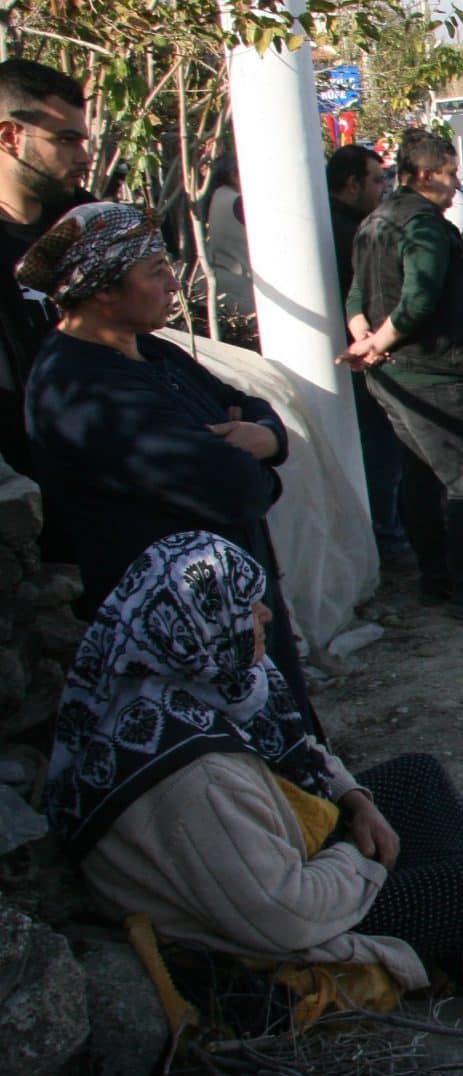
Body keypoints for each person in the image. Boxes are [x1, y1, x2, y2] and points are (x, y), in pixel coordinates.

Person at [49, 531, 463, 1064]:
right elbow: (286, 915)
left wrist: (354, 800)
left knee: (412, 779)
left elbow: (294, 749)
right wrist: (363, 860)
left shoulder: (170, 678)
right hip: (252, 943)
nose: (264, 617)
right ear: (199, 628)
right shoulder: (196, 784)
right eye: (247, 610)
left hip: (247, 867)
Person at [19, 202, 321, 734]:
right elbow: (230, 489)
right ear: (105, 290)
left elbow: (249, 407)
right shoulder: (83, 391)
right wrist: (259, 469)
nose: (171, 285)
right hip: (182, 637)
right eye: (156, 272)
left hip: (237, 610)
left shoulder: (153, 354)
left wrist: (264, 439)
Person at [340, 130, 463, 622]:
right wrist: (378, 341)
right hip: (435, 374)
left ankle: (436, 581)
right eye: (450, 174)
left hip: (391, 375)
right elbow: (418, 300)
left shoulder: (373, 222)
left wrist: (365, 339)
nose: (457, 184)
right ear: (424, 175)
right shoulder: (425, 229)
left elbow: (356, 293)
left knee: (419, 477)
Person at [0, 58, 94, 477]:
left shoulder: (89, 221)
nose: (84, 156)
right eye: (66, 139)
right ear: (9, 136)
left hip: (109, 465)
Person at [326, 144, 407, 558]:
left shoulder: (347, 226)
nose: (383, 188)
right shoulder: (347, 233)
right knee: (379, 445)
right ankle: (384, 534)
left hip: (359, 351)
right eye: (376, 180)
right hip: (360, 357)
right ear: (352, 183)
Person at [195, 149, 256, 324]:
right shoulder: (238, 201)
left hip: (223, 280)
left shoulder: (218, 196)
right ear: (234, 175)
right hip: (242, 287)